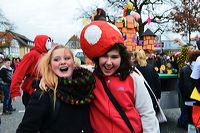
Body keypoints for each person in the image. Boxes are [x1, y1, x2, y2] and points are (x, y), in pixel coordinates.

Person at [80, 21, 159, 133]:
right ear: (97, 58)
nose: (108, 62)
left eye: (114, 57)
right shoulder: (90, 78)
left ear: (122, 58)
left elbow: (147, 113)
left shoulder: (133, 78)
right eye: (104, 56)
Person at [16, 45, 95, 133]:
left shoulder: (86, 87)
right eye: (56, 59)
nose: (62, 62)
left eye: (67, 58)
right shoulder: (43, 95)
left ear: (74, 63)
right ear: (50, 66)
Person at [10, 35, 54, 107]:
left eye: (51, 41)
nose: (50, 43)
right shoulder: (31, 55)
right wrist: (14, 90)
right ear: (41, 42)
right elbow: (19, 73)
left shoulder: (46, 55)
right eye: (48, 41)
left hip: (44, 89)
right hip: (31, 90)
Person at [177, 50, 200, 129]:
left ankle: (186, 126)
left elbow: (181, 85)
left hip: (187, 96)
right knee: (194, 115)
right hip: (197, 96)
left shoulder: (185, 68)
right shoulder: (196, 68)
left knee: (187, 114)